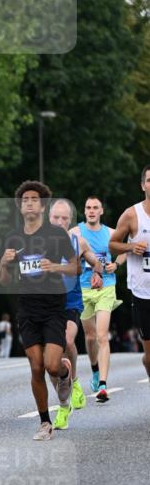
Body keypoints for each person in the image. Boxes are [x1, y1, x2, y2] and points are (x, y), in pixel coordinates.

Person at [0, 181, 77, 441]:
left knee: (52, 366)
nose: (29, 203)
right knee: (36, 367)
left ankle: (65, 374)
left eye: (34, 199)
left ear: (43, 205)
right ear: (20, 207)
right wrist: (4, 263)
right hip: (28, 309)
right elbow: (5, 281)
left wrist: (56, 267)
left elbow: (76, 268)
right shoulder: (13, 239)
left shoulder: (56, 234)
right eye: (25, 200)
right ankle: (45, 423)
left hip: (54, 308)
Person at [48, 198, 107, 429]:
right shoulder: (38, 242)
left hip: (71, 302)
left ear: (70, 221)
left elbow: (96, 262)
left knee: (67, 341)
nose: (60, 222)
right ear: (49, 219)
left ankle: (74, 382)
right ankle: (65, 396)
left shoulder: (78, 242)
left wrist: (97, 275)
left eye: (64, 218)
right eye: (56, 217)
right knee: (50, 360)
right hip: (46, 306)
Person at [76, 196, 126, 402]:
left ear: (101, 211)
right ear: (84, 211)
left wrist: (117, 263)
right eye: (88, 207)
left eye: (95, 208)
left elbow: (126, 249)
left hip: (106, 287)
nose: (91, 211)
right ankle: (95, 370)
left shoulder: (111, 233)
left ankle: (103, 385)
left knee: (102, 335)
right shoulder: (76, 233)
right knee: (89, 337)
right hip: (83, 289)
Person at [108, 164, 150, 384]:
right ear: (143, 185)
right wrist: (130, 247)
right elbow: (113, 244)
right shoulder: (132, 215)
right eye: (149, 180)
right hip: (142, 293)